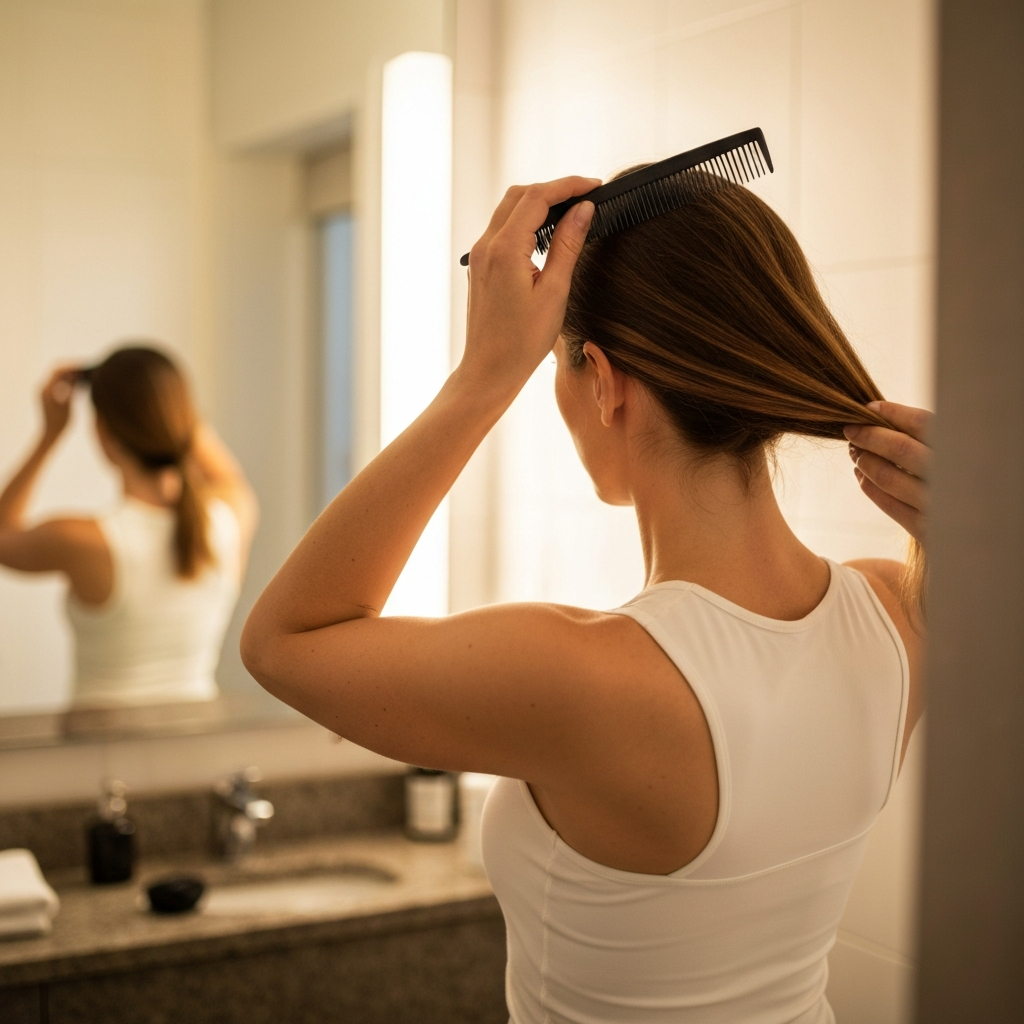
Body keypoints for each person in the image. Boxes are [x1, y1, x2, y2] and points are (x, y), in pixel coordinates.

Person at [242, 176, 929, 1024]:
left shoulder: (590, 676)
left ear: (603, 380)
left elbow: (285, 641)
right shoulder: (903, 610)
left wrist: (484, 376)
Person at [0, 346, 257, 709]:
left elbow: (3, 535)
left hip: (101, 757)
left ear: (104, 434)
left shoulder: (87, 540)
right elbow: (226, 473)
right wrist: (174, 412)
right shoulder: (231, 516)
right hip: (197, 751)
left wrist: (49, 435)